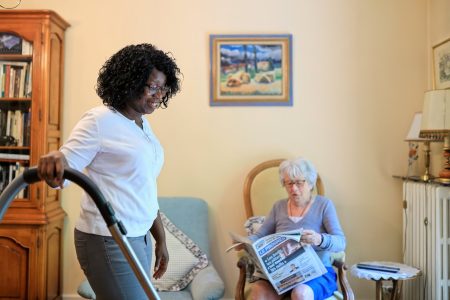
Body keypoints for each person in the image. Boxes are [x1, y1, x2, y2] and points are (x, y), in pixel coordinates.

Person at [37, 43, 182, 300]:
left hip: (140, 237)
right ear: (129, 82)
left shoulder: (141, 123)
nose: (159, 95)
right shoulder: (99, 120)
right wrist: (55, 160)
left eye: (163, 88)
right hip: (107, 239)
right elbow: (65, 163)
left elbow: (143, 187)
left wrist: (160, 240)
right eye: (152, 87)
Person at [248, 157, 346, 300]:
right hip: (283, 275)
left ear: (310, 183)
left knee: (301, 293)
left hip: (316, 274)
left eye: (299, 183)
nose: (294, 189)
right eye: (289, 183)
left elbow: (341, 242)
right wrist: (244, 243)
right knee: (258, 289)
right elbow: (259, 236)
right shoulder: (278, 207)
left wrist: (319, 239)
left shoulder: (324, 205)